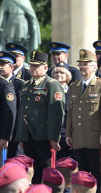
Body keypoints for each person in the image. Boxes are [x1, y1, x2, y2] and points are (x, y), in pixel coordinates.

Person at [66, 49, 101, 193]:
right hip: (79, 137)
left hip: (96, 138)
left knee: (99, 173)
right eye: (80, 64)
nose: (82, 67)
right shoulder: (74, 86)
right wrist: (69, 133)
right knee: (82, 173)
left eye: (86, 64)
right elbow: (71, 112)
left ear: (94, 67)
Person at [14, 51, 64, 183]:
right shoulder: (26, 85)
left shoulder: (52, 84)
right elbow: (22, 112)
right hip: (29, 136)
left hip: (44, 136)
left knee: (47, 170)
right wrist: (21, 135)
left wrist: (54, 137)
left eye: (37, 66)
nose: (33, 69)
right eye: (31, 66)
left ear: (45, 68)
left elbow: (57, 113)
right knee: (32, 170)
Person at [0, 50, 24, 159]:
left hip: (15, 133)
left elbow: (17, 111)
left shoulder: (19, 84)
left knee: (13, 162)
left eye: (3, 65)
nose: (0, 67)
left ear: (11, 67)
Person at [0, 51, 16, 174]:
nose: (0, 66)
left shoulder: (4, 85)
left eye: (3, 64)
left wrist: (5, 137)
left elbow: (10, 113)